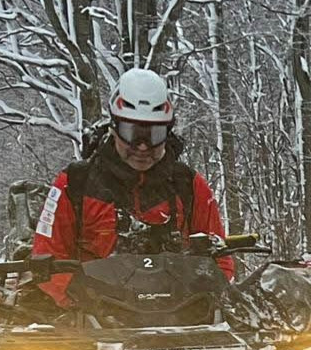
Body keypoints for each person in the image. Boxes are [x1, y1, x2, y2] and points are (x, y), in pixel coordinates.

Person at [31, 68, 231, 303]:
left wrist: (204, 294)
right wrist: (81, 299)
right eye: (131, 133)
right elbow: (47, 259)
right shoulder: (74, 184)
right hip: (96, 318)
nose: (142, 147)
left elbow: (221, 259)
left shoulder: (189, 185)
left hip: (178, 318)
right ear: (114, 127)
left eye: (153, 134)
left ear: (167, 132)